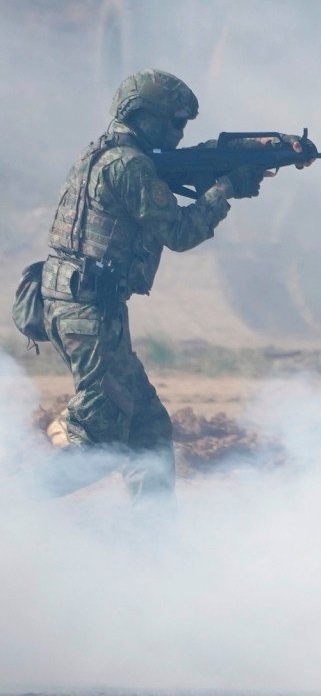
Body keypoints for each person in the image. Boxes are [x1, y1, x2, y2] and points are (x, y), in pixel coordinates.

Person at [39, 70, 264, 503]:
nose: (179, 134)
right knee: (100, 440)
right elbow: (178, 233)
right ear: (141, 116)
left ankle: (153, 547)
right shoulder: (129, 165)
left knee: (148, 429)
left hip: (84, 306)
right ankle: (15, 505)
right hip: (87, 312)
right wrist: (225, 190)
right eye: (172, 123)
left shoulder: (104, 154)